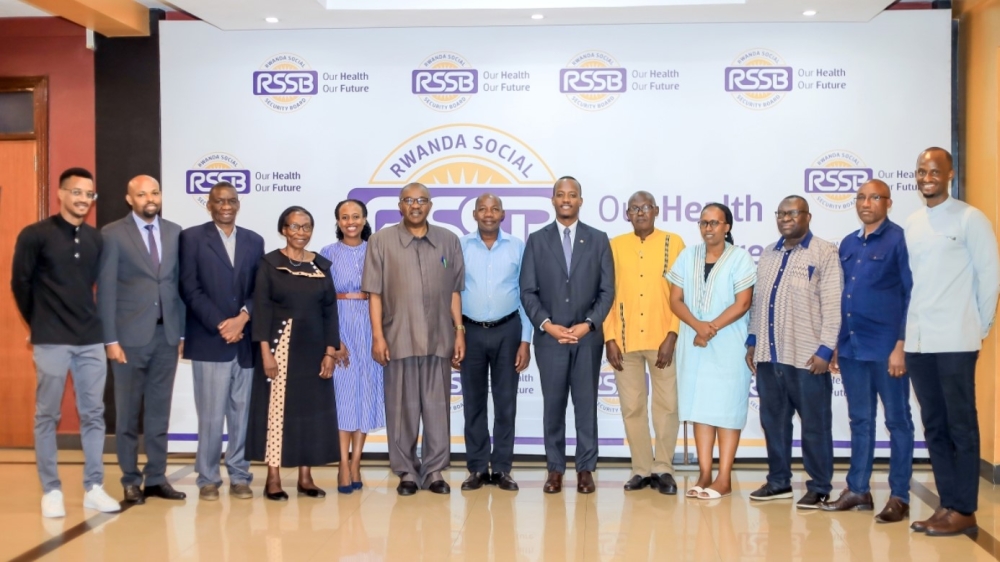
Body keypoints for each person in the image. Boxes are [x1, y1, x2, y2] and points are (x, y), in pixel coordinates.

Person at [11, 168, 121, 517]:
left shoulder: (96, 239)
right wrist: (38, 323)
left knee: (93, 414)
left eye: (89, 194)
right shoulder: (35, 235)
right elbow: (21, 284)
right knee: (48, 415)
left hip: (90, 339)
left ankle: (94, 487)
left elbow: (96, 288)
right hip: (51, 340)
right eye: (76, 192)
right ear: (60, 194)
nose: (83, 199)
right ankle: (51, 490)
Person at [905, 148, 1000, 537]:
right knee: (934, 424)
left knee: (961, 424)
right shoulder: (911, 222)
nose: (927, 177)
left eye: (934, 171)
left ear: (950, 174)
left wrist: (977, 328)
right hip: (919, 341)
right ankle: (946, 504)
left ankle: (965, 508)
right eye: (921, 171)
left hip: (956, 339)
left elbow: (990, 277)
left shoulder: (970, 218)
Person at [362, 183, 466, 496]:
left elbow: (454, 291)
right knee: (401, 410)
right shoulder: (381, 241)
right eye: (409, 200)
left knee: (437, 409)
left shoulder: (448, 240)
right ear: (400, 206)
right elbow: (375, 294)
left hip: (439, 338)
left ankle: (434, 471)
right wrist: (378, 336)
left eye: (421, 200)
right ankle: (406, 471)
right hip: (398, 338)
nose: (415, 205)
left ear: (430, 205)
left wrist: (459, 331)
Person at [822, 179, 914, 523]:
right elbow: (838, 297)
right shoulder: (847, 243)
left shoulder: (899, 239)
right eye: (861, 197)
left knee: (898, 422)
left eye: (874, 197)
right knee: (860, 420)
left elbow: (909, 294)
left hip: (886, 349)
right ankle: (858, 490)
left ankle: (900, 496)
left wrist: (901, 345)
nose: (866, 202)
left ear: (888, 203)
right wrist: (833, 343)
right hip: (851, 348)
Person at [745, 195, 842, 509]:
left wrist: (826, 350)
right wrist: (752, 341)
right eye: (781, 213)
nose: (786, 218)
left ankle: (819, 486)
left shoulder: (824, 252)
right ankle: (778, 482)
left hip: (807, 357)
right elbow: (759, 303)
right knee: (773, 422)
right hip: (769, 356)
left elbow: (833, 304)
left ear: (807, 216)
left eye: (793, 213)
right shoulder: (769, 255)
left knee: (815, 424)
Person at [520, 176, 615, 495]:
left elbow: (607, 291)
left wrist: (588, 324)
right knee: (554, 406)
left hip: (587, 338)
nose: (566, 199)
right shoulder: (537, 240)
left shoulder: (599, 239)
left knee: (586, 405)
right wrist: (547, 325)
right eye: (560, 194)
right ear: (552, 199)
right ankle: (555, 469)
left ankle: (586, 468)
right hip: (550, 339)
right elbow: (528, 291)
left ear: (580, 201)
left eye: (572, 195)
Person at [97, 175, 186, 504]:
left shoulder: (175, 232)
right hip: (129, 339)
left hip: (166, 336)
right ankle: (130, 479)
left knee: (159, 413)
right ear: (129, 199)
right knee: (128, 414)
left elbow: (179, 286)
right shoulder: (112, 233)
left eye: (154, 192)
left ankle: (157, 478)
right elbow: (105, 290)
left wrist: (181, 332)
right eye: (142, 194)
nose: (150, 198)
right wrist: (110, 339)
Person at [246, 206, 342, 501]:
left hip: (315, 349)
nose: (301, 233)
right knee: (277, 413)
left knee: (310, 414)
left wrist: (330, 351)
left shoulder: (321, 266)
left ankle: (305, 476)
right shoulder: (269, 264)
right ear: (283, 230)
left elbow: (330, 311)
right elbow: (261, 309)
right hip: (281, 346)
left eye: (306, 227)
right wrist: (265, 353)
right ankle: (273, 477)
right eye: (294, 227)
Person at [179, 181, 265, 501]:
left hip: (244, 342)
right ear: (209, 205)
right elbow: (189, 288)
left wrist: (243, 317)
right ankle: (208, 478)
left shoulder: (254, 241)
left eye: (231, 200)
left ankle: (240, 475)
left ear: (238, 204)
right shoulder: (191, 238)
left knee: (241, 414)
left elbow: (260, 288)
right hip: (210, 340)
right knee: (212, 415)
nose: (225, 206)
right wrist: (221, 324)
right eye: (219, 201)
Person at [667, 203, 755, 500]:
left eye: (715, 223)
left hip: (729, 344)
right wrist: (698, 326)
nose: (708, 228)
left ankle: (724, 477)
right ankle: (704, 473)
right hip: (695, 344)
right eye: (704, 222)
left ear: (726, 227)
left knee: (727, 411)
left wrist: (711, 327)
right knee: (700, 409)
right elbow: (675, 299)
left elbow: (743, 303)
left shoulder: (740, 258)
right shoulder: (687, 255)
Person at [604, 191, 685, 495]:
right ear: (627, 214)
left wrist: (673, 334)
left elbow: (682, 291)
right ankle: (641, 468)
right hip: (624, 342)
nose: (640, 213)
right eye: (634, 209)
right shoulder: (615, 246)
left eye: (646, 207)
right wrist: (609, 337)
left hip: (663, 340)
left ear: (656, 210)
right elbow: (606, 295)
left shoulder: (673, 242)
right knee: (632, 407)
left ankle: (663, 467)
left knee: (666, 406)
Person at [457, 193, 532, 492]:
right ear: (474, 214)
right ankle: (476, 468)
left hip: (508, 330)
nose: (489, 214)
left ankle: (501, 468)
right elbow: (450, 293)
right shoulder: (459, 246)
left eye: (494, 209)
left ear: (503, 214)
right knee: (473, 404)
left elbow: (526, 295)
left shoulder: (517, 246)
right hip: (470, 331)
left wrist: (525, 340)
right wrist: (455, 333)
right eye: (482, 209)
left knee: (505, 404)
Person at [319, 199, 385, 495]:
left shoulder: (377, 250)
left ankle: (357, 461)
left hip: (371, 328)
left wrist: (379, 335)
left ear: (364, 218)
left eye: (355, 216)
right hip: (341, 328)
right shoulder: (327, 254)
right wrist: (333, 340)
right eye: (344, 217)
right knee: (343, 399)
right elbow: (322, 300)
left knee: (366, 397)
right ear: (337, 221)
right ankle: (342, 465)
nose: (350, 222)